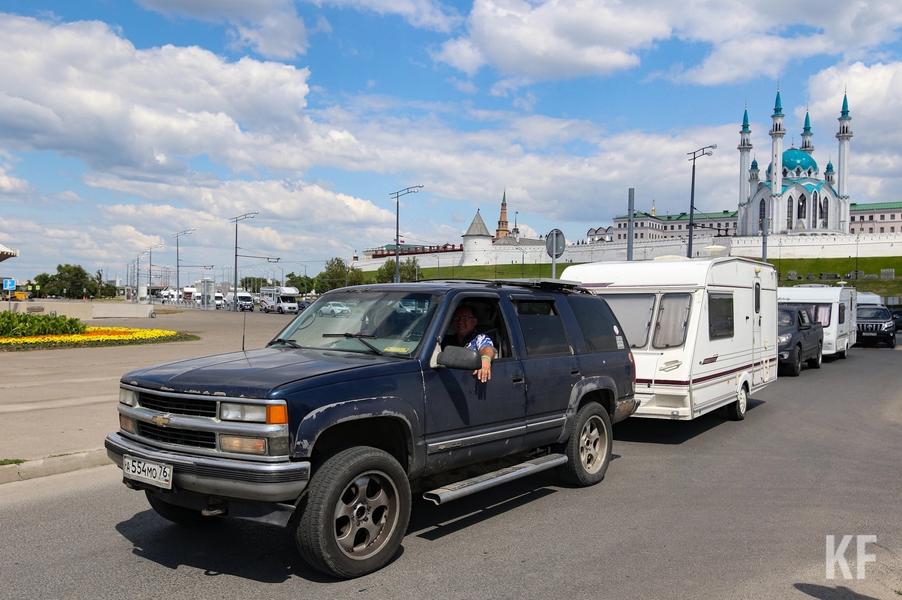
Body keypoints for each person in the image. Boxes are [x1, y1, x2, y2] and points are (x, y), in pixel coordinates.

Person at [442, 305, 495, 383]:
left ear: (474, 321)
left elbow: (487, 348)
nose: (460, 321)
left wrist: (485, 359)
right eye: (457, 318)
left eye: (465, 318)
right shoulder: (446, 340)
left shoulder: (479, 338)